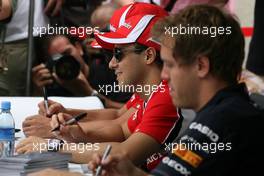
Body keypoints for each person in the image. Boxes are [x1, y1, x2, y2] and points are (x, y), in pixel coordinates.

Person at [85, 4, 262, 176]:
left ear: (201, 66)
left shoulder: (222, 121)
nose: (164, 75)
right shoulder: (229, 110)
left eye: (169, 65)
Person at [16, 2, 182, 172]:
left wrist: (52, 145)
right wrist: (71, 123)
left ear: (148, 55)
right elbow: (119, 125)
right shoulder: (151, 91)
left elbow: (124, 153)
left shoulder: (165, 96)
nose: (111, 64)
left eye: (118, 54)